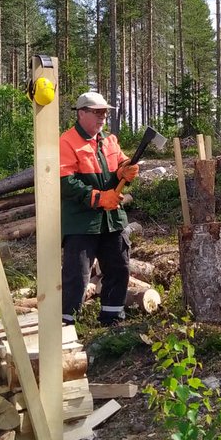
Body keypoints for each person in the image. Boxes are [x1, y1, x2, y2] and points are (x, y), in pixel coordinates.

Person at [59, 90, 139, 325]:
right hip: (81, 222)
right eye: (97, 112)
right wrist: (97, 198)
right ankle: (67, 324)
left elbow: (121, 163)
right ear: (81, 113)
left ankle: (112, 319)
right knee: (77, 275)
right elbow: (65, 182)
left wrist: (126, 169)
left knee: (119, 267)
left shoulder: (109, 140)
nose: (103, 116)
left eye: (105, 112)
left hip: (113, 219)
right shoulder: (66, 142)